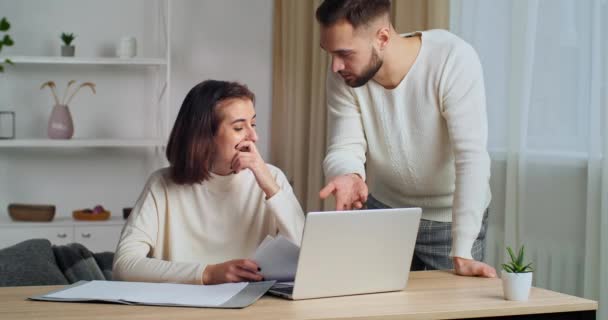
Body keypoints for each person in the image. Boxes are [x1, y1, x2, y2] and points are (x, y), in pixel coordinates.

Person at [316, 0, 496, 278]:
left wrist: (463, 250)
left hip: (448, 219)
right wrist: (348, 173)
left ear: (383, 38)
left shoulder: (452, 58)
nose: (335, 66)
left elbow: (471, 158)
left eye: (344, 53)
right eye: (329, 54)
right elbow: (344, 146)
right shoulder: (346, 77)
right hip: (386, 211)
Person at [113, 80, 305, 285]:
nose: (254, 137)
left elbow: (307, 255)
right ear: (204, 136)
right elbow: (124, 266)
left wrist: (270, 187)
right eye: (239, 127)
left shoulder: (272, 179)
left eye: (253, 124)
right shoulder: (161, 185)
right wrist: (208, 274)